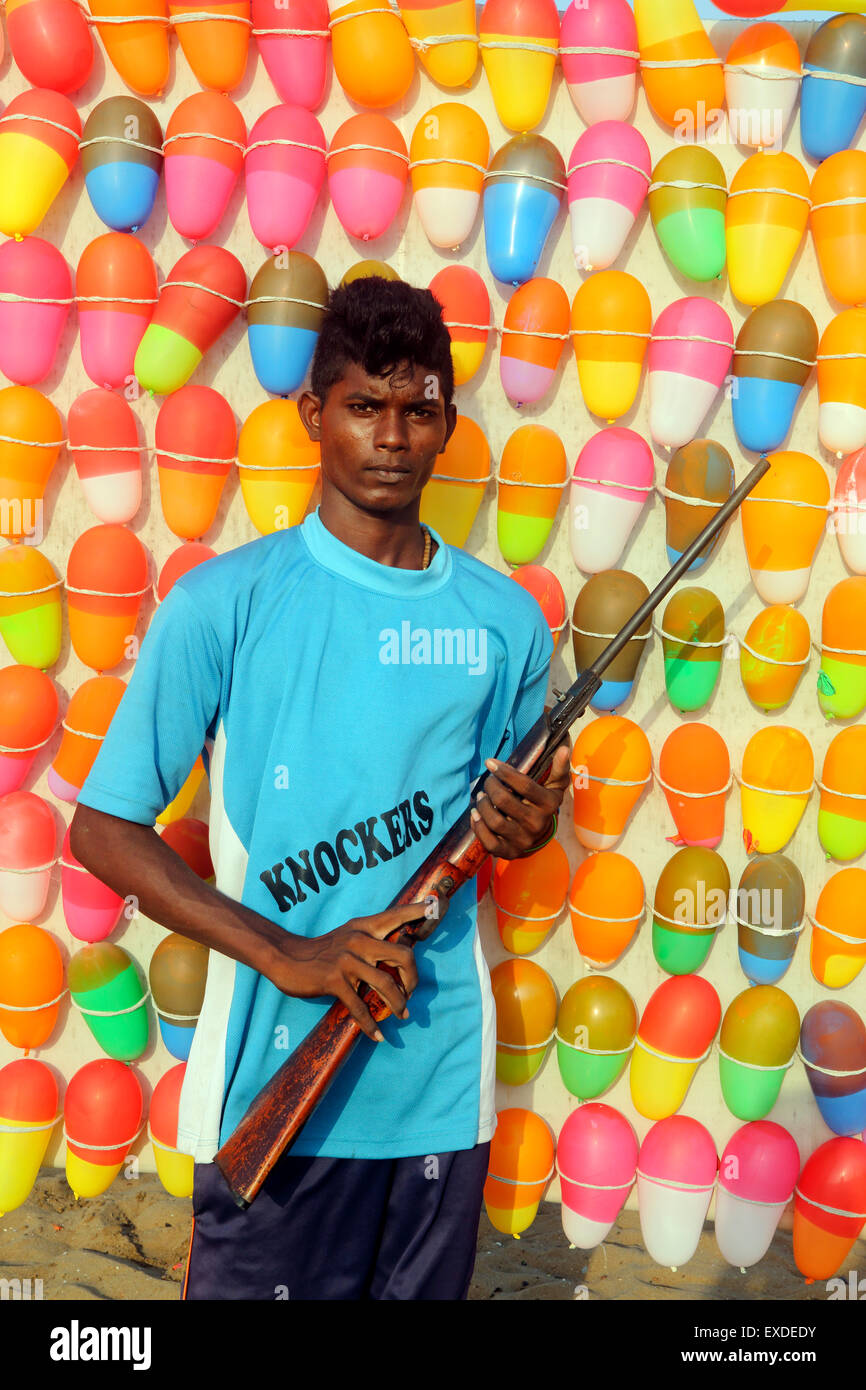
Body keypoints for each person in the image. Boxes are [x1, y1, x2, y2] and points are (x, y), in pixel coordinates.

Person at [70, 277, 571, 1302]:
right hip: (270, 1083)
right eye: (363, 405)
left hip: (436, 1093)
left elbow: (505, 818)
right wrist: (286, 952)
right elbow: (103, 827)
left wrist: (530, 826)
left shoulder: (505, 623)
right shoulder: (224, 604)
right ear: (313, 413)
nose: (390, 435)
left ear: (445, 424)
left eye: (416, 408)